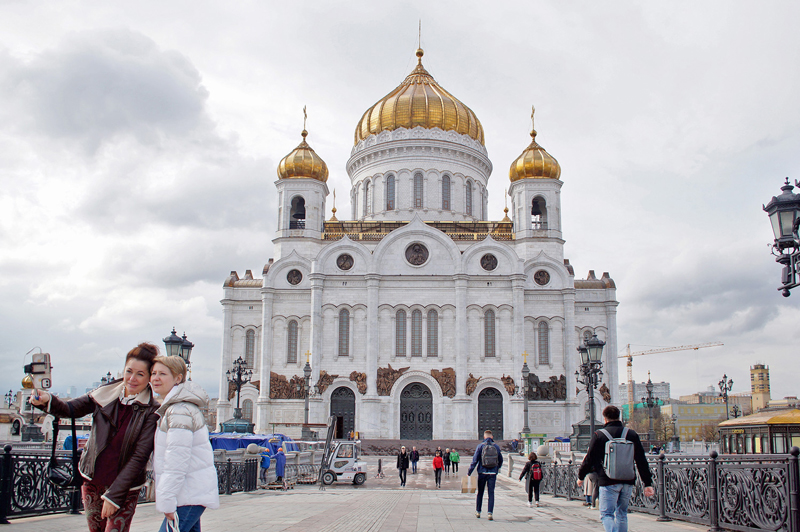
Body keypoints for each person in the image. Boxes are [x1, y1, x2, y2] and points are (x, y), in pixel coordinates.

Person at [29, 343, 160, 532]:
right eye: (129, 371)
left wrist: (114, 495)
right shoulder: (104, 394)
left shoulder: (151, 410)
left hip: (125, 488)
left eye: (140, 374)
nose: (132, 378)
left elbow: (140, 456)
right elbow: (71, 409)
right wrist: (47, 399)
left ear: (149, 377)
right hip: (93, 480)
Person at [150, 355, 219, 532]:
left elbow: (176, 460)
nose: (156, 378)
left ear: (178, 378)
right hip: (189, 493)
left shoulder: (179, 411)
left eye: (162, 374)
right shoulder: (178, 408)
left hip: (187, 494)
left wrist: (167, 501)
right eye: (153, 373)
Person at [578, 405, 654, 532]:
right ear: (619, 417)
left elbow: (589, 459)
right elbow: (641, 460)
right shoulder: (631, 434)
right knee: (622, 514)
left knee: (606, 514)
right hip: (627, 480)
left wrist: (581, 476)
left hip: (608, 481)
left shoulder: (599, 435)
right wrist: (647, 483)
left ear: (605, 418)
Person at [468, 429, 503, 521]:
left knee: (480, 492)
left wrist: (469, 472)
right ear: (492, 437)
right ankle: (490, 513)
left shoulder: (480, 446)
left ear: (484, 437)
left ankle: (478, 511)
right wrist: (497, 468)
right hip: (492, 473)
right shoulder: (496, 446)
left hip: (482, 472)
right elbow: (501, 459)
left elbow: (475, 460)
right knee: (491, 493)